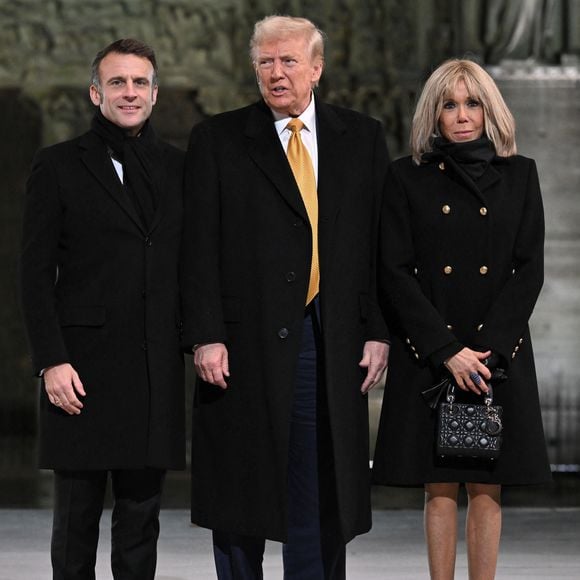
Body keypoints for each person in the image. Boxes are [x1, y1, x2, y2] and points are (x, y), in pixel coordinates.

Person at [181, 15, 389, 580]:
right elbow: (197, 249)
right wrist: (205, 334)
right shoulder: (218, 140)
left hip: (328, 338)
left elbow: (379, 244)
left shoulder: (362, 138)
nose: (276, 73)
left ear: (316, 69)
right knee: (241, 491)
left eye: (289, 61)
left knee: (320, 490)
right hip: (242, 346)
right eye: (265, 63)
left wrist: (377, 329)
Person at [372, 58, 551, 579]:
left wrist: (487, 348)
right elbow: (394, 270)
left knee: (487, 486)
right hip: (432, 350)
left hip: (497, 353)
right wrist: (447, 351)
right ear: (434, 113)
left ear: (490, 108)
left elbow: (529, 269)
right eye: (449, 104)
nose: (462, 115)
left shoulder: (521, 175)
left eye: (472, 102)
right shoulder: (406, 177)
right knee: (440, 486)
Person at [19, 38, 185, 580]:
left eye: (140, 82)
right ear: (96, 93)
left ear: (155, 94)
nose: (130, 92)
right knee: (76, 523)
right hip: (80, 371)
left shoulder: (179, 169)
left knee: (142, 522)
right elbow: (34, 274)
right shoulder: (59, 165)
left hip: (151, 369)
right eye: (118, 82)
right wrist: (51, 361)